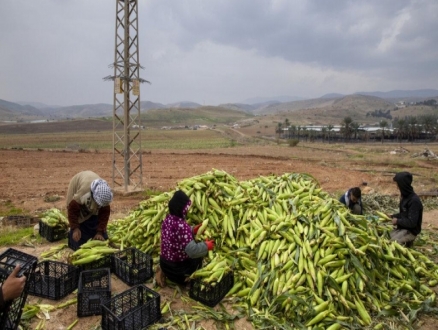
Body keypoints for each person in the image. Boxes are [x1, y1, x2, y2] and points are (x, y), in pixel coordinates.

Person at [156, 190, 215, 287]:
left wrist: (193, 230)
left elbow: (177, 235)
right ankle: (187, 280)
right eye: (186, 208)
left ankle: (164, 272)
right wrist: (206, 246)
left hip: (165, 265)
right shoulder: (181, 226)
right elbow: (192, 251)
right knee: (198, 258)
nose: (187, 211)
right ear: (180, 209)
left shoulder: (168, 219)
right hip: (179, 272)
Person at [66, 170, 113, 251]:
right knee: (80, 232)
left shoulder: (104, 195)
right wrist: (75, 228)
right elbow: (72, 210)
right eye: (98, 204)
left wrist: (100, 232)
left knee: (95, 217)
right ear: (93, 197)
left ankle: (94, 232)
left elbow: (104, 213)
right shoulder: (83, 193)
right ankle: (73, 236)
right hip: (76, 188)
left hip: (88, 184)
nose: (99, 206)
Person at [389, 171, 423, 246]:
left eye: (397, 184)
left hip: (410, 232)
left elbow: (412, 222)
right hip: (402, 229)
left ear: (402, 185)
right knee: (385, 238)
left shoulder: (414, 201)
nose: (397, 187)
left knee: (393, 244)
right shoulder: (404, 197)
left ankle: (409, 242)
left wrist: (397, 221)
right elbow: (404, 214)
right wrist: (392, 216)